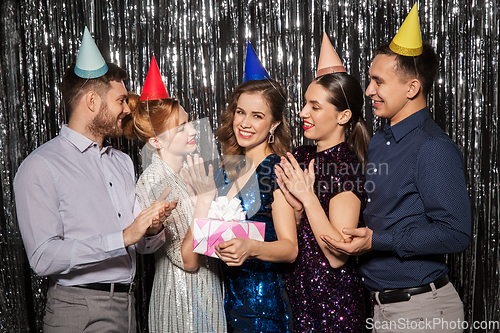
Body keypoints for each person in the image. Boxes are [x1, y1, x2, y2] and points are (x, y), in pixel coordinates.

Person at [322, 5, 471, 332]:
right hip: (376, 307)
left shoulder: (433, 148)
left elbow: (456, 234)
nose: (369, 90)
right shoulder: (379, 142)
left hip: (421, 310)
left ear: (412, 88)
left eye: (378, 81)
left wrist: (379, 240)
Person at [13, 28, 173, 333]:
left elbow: (140, 246)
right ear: (91, 101)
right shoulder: (41, 166)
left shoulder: (122, 162)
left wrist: (151, 228)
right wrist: (123, 236)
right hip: (77, 309)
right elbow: (43, 257)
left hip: (127, 306)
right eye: (121, 100)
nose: (128, 109)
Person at [122, 56, 226, 333]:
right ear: (155, 141)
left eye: (189, 122)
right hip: (183, 301)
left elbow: (209, 239)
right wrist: (205, 199)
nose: (193, 130)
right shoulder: (155, 181)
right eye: (182, 127)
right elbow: (189, 261)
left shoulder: (189, 170)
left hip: (209, 290)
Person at [275, 33, 370, 332]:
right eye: (305, 103)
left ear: (343, 116)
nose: (303, 113)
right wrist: (298, 211)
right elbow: (294, 233)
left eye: (315, 107)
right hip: (298, 299)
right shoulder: (300, 155)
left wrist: (307, 197)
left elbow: (337, 254)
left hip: (334, 305)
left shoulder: (346, 166)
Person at [213, 42, 298, 332]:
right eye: (240, 112)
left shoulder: (277, 171)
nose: (244, 123)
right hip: (223, 305)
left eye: (257, 116)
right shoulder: (224, 171)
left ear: (274, 124)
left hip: (264, 310)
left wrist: (251, 247)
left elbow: (289, 249)